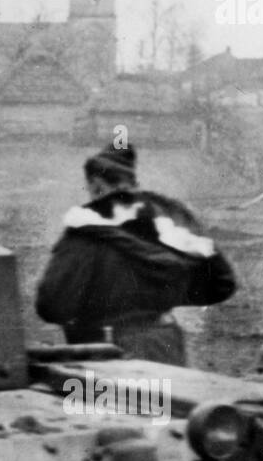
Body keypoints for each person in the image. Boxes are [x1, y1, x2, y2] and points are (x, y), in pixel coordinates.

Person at [35, 142, 236, 366]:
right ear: (132, 181)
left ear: (96, 184)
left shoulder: (85, 230)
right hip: (166, 344)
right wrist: (159, 298)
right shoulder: (170, 217)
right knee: (174, 401)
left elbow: (52, 306)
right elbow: (220, 284)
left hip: (108, 351)